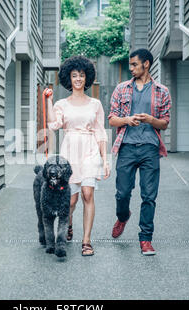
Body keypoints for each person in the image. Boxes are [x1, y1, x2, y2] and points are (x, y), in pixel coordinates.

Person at [108, 48, 171, 256]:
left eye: (135, 64)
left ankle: (145, 239)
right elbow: (112, 120)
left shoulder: (162, 91)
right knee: (122, 193)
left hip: (149, 149)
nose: (131, 68)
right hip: (126, 147)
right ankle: (123, 216)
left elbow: (164, 124)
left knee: (149, 196)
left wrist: (151, 120)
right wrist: (127, 119)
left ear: (146, 64)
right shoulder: (121, 89)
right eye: (130, 64)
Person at [46, 55, 110, 256]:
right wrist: (49, 101)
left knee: (88, 194)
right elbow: (53, 125)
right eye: (74, 76)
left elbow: (100, 132)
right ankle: (69, 224)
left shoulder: (95, 104)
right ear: (69, 78)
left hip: (90, 149)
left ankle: (86, 241)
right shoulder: (62, 104)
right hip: (70, 150)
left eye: (82, 75)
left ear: (87, 77)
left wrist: (105, 160)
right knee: (71, 201)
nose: (79, 79)